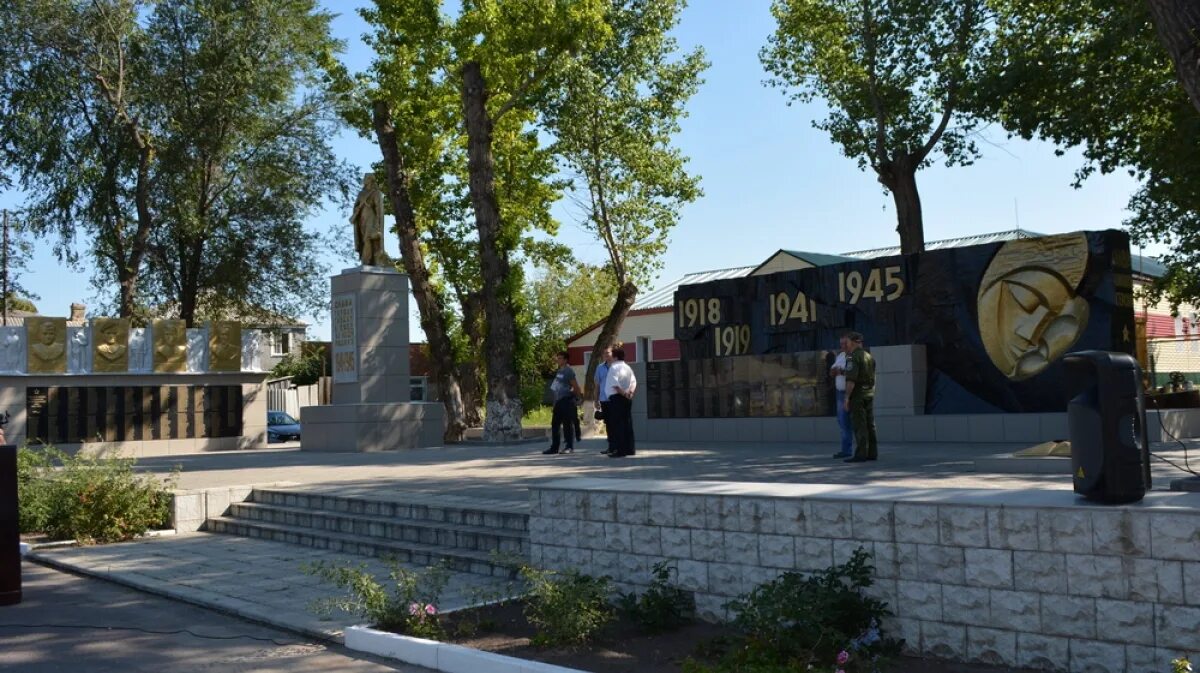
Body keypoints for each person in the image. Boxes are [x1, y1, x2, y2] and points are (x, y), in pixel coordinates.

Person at [843, 331, 878, 463]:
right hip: (869, 394)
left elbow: (851, 380)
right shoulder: (869, 356)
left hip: (858, 396)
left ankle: (861, 454)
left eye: (847, 342)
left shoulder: (852, 357)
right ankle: (872, 453)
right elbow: (874, 377)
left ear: (852, 342)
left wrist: (846, 397)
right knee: (870, 424)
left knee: (859, 424)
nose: (846, 344)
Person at [543, 351, 583, 455]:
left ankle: (569, 446)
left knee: (567, 425)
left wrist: (577, 398)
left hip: (566, 401)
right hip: (558, 401)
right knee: (555, 424)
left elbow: (576, 387)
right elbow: (556, 388)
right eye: (558, 358)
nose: (558, 360)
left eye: (560, 358)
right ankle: (554, 447)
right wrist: (554, 403)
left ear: (565, 360)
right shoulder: (559, 371)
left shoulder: (568, 371)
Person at [604, 347, 637, 458]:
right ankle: (630, 449)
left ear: (615, 357)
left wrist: (624, 394)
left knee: (618, 425)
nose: (610, 357)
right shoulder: (628, 367)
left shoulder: (614, 367)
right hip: (627, 399)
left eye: (612, 355)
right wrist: (630, 393)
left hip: (617, 398)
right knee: (627, 423)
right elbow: (633, 382)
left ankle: (620, 450)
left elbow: (615, 385)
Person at [830, 336, 853, 459]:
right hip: (840, 392)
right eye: (841, 344)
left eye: (845, 343)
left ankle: (854, 450)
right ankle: (846, 449)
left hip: (850, 392)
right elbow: (832, 371)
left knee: (851, 421)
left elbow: (853, 373)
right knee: (842, 421)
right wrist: (836, 371)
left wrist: (841, 372)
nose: (843, 346)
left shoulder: (853, 356)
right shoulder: (840, 356)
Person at [593, 347, 613, 454]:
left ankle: (618, 446)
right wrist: (596, 400)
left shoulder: (617, 366)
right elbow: (597, 385)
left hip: (616, 400)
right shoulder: (600, 368)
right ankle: (611, 446)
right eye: (604, 353)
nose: (605, 354)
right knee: (608, 424)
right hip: (604, 400)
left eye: (607, 352)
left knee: (616, 423)